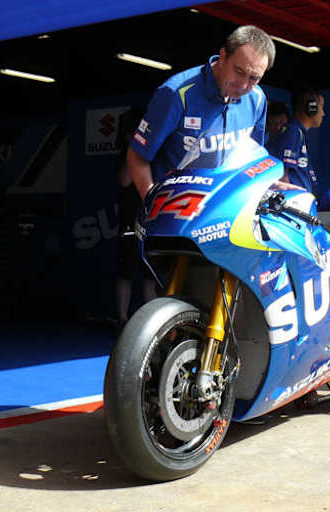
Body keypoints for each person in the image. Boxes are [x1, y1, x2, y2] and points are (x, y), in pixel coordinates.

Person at [126, 25, 276, 200]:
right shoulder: (176, 93)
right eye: (239, 72)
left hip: (223, 209)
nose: (243, 85)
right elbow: (137, 157)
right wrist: (152, 206)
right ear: (223, 57)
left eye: (254, 78)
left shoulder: (257, 99)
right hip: (174, 209)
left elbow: (253, 161)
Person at [115, 107, 156, 336]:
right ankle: (122, 318)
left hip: (150, 221)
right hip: (129, 221)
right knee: (125, 272)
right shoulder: (126, 153)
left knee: (151, 274)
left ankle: (152, 321)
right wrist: (134, 153)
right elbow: (124, 180)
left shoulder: (154, 153)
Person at [266, 88, 325, 196]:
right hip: (295, 204)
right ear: (312, 108)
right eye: (321, 108)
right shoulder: (293, 132)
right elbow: (283, 176)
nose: (323, 113)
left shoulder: (298, 133)